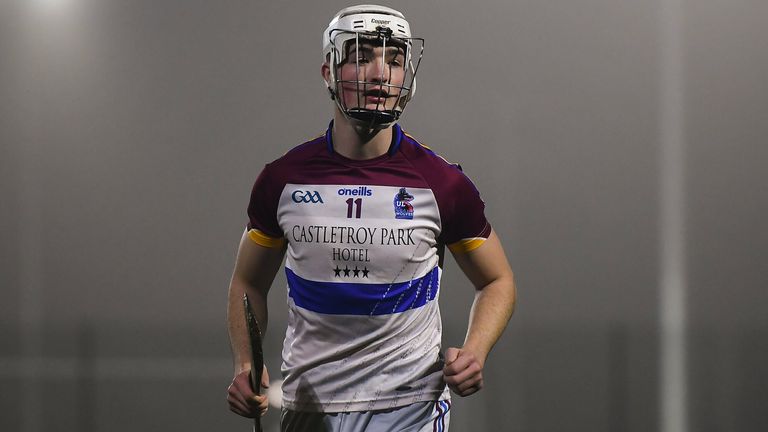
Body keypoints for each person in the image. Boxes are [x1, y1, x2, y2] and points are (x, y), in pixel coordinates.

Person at [227, 5, 516, 431]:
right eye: (362, 57)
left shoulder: (443, 184)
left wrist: (475, 350)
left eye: (395, 60)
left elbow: (497, 280)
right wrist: (245, 364)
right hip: (310, 408)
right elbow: (248, 281)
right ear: (328, 71)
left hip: (410, 409)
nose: (381, 73)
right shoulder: (282, 180)